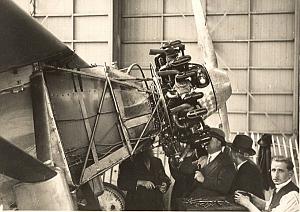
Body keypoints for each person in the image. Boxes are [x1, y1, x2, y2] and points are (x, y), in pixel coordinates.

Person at [234, 156, 299, 212]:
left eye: (280, 171)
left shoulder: (292, 195)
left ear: (290, 174)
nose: (276, 175)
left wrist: (247, 204)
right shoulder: (279, 188)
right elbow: (270, 206)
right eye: (273, 170)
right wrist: (252, 197)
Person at [188, 128, 236, 198]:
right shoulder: (203, 159)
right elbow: (185, 170)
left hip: (211, 204)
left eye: (209, 139)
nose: (205, 143)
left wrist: (204, 180)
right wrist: (188, 154)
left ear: (218, 142)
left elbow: (224, 187)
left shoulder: (226, 162)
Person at [228, 134, 265, 199]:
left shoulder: (247, 171)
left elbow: (242, 195)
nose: (229, 152)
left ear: (235, 154)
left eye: (231, 150)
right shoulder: (247, 167)